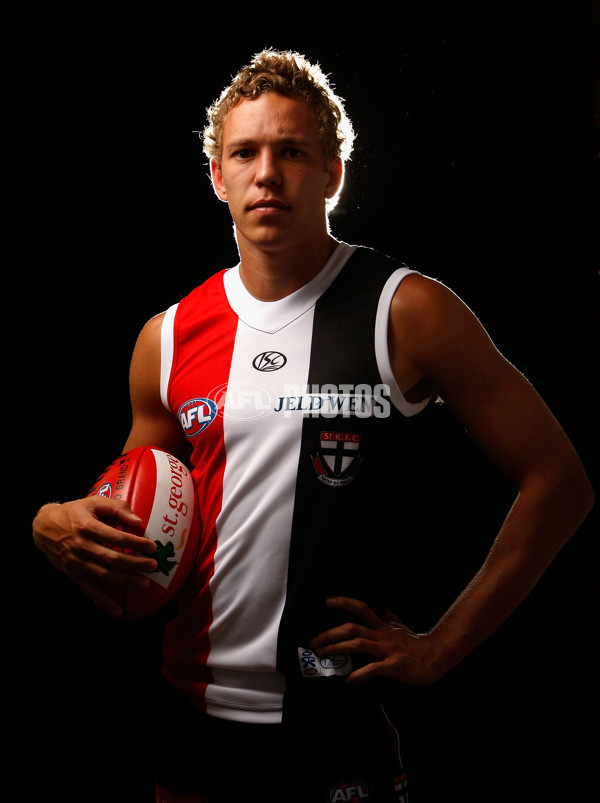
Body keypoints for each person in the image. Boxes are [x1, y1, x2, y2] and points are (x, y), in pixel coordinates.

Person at [32, 49, 593, 802]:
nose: (267, 173)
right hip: (189, 717)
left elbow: (560, 481)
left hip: (337, 723)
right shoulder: (164, 339)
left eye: (292, 151)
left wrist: (441, 648)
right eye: (246, 152)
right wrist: (51, 522)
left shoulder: (408, 310)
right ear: (218, 176)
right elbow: (138, 517)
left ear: (332, 172)